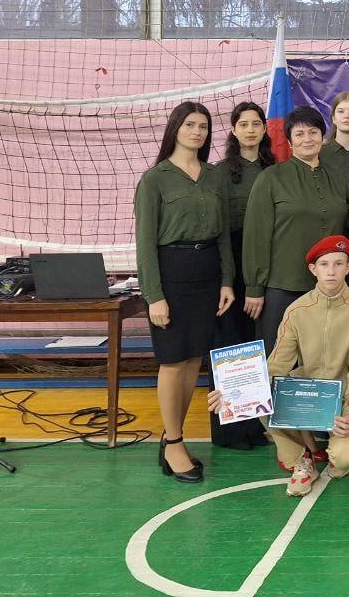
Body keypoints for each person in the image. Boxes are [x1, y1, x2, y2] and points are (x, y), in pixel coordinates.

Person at [211, 235, 349, 497]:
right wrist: (234, 394)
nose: (331, 271)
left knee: (344, 458)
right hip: (304, 397)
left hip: (341, 399)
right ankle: (302, 458)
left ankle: (333, 450)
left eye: (338, 264)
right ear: (313, 269)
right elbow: (277, 364)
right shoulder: (297, 310)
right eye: (324, 264)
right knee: (261, 397)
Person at [134, 101, 236, 484]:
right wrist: (153, 295)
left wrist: (227, 280)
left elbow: (223, 234)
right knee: (173, 361)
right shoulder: (154, 179)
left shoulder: (214, 176)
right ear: (175, 128)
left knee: (194, 360)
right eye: (190, 124)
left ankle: (171, 437)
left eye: (203, 126)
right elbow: (145, 243)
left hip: (207, 274)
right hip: (171, 275)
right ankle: (174, 441)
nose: (197, 132)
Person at [243, 106, 349, 354]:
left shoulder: (339, 178)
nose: (307, 139)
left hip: (329, 286)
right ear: (290, 141)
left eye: (313, 132)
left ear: (323, 137)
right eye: (299, 134)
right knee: (277, 356)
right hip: (283, 286)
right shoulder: (271, 178)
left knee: (322, 356)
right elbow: (256, 237)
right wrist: (254, 288)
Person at [209, 101, 276, 449]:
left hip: (265, 265)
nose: (250, 129)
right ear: (234, 130)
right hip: (230, 265)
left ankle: (257, 422)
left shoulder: (275, 169)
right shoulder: (219, 173)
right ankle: (231, 430)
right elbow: (219, 230)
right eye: (243, 124)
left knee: (258, 345)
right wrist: (227, 278)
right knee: (230, 343)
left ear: (265, 129)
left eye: (256, 123)